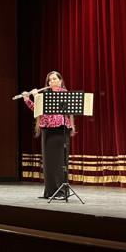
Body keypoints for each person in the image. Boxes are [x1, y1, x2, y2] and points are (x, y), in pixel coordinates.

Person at [22, 71, 76, 199]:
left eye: (55, 79)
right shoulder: (46, 94)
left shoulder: (63, 94)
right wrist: (27, 99)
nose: (52, 82)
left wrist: (37, 96)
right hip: (47, 130)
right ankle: (50, 192)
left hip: (60, 129)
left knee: (59, 162)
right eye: (50, 80)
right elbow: (39, 110)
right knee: (48, 163)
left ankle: (62, 192)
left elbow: (55, 111)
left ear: (60, 81)